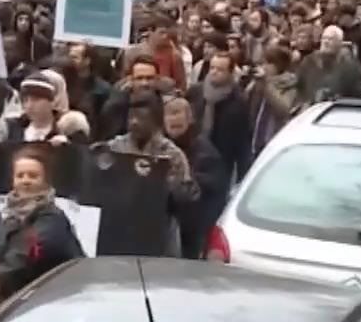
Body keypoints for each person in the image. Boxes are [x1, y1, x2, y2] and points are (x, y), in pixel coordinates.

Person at [0, 146, 82, 309]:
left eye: (33, 175)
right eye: (20, 175)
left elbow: (28, 252)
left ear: (46, 181)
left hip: (48, 304)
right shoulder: (7, 214)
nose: (25, 180)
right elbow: (4, 250)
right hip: (11, 303)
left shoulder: (52, 218)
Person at [107, 90, 199, 255]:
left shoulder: (172, 155)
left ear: (156, 121)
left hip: (160, 231)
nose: (134, 122)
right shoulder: (115, 148)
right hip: (122, 229)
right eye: (131, 117)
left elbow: (185, 199)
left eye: (141, 118)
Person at [164, 96, 230, 259]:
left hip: (193, 233)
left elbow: (211, 190)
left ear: (190, 119)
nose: (174, 118)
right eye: (170, 114)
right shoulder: (161, 146)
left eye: (178, 113)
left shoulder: (205, 152)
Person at [188, 49, 253, 180]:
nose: (214, 72)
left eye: (220, 69)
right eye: (212, 67)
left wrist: (242, 176)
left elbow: (242, 143)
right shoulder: (196, 92)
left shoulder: (238, 101)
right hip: (193, 157)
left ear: (230, 73)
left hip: (222, 162)